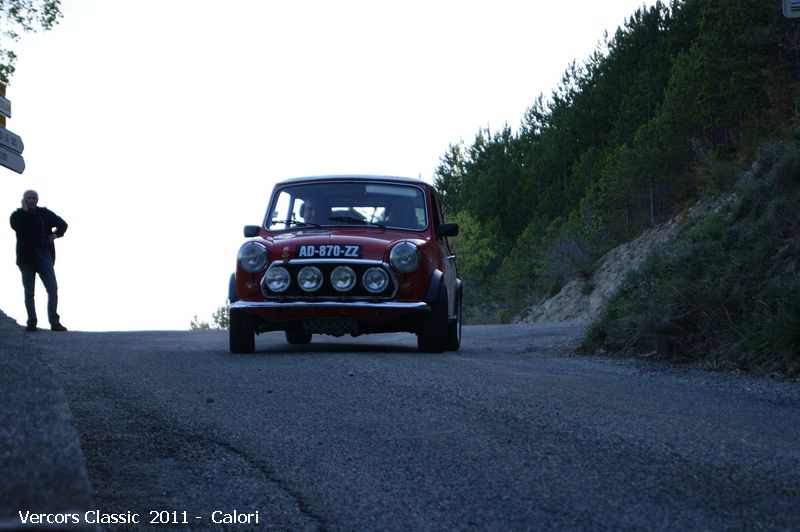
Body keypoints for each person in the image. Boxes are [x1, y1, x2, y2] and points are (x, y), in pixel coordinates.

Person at [9, 190, 68, 332]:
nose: (31, 200)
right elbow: (18, 227)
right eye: (29, 198)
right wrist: (25, 211)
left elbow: (63, 224)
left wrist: (54, 235)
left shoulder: (44, 213)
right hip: (26, 258)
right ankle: (32, 322)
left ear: (37, 199)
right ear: (24, 199)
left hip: (44, 254)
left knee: (52, 289)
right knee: (29, 292)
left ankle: (54, 322)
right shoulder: (17, 215)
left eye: (34, 197)